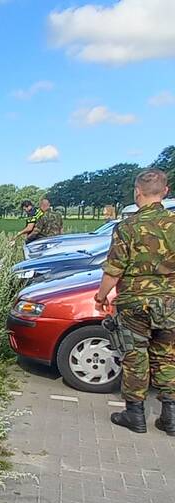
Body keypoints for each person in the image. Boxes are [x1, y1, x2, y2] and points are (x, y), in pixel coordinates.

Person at [94, 168, 175, 435]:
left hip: (134, 304)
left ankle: (135, 415)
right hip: (171, 303)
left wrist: (101, 297)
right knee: (167, 356)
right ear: (165, 191)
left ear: (136, 192)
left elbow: (114, 270)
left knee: (135, 356)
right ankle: (171, 417)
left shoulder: (127, 227)